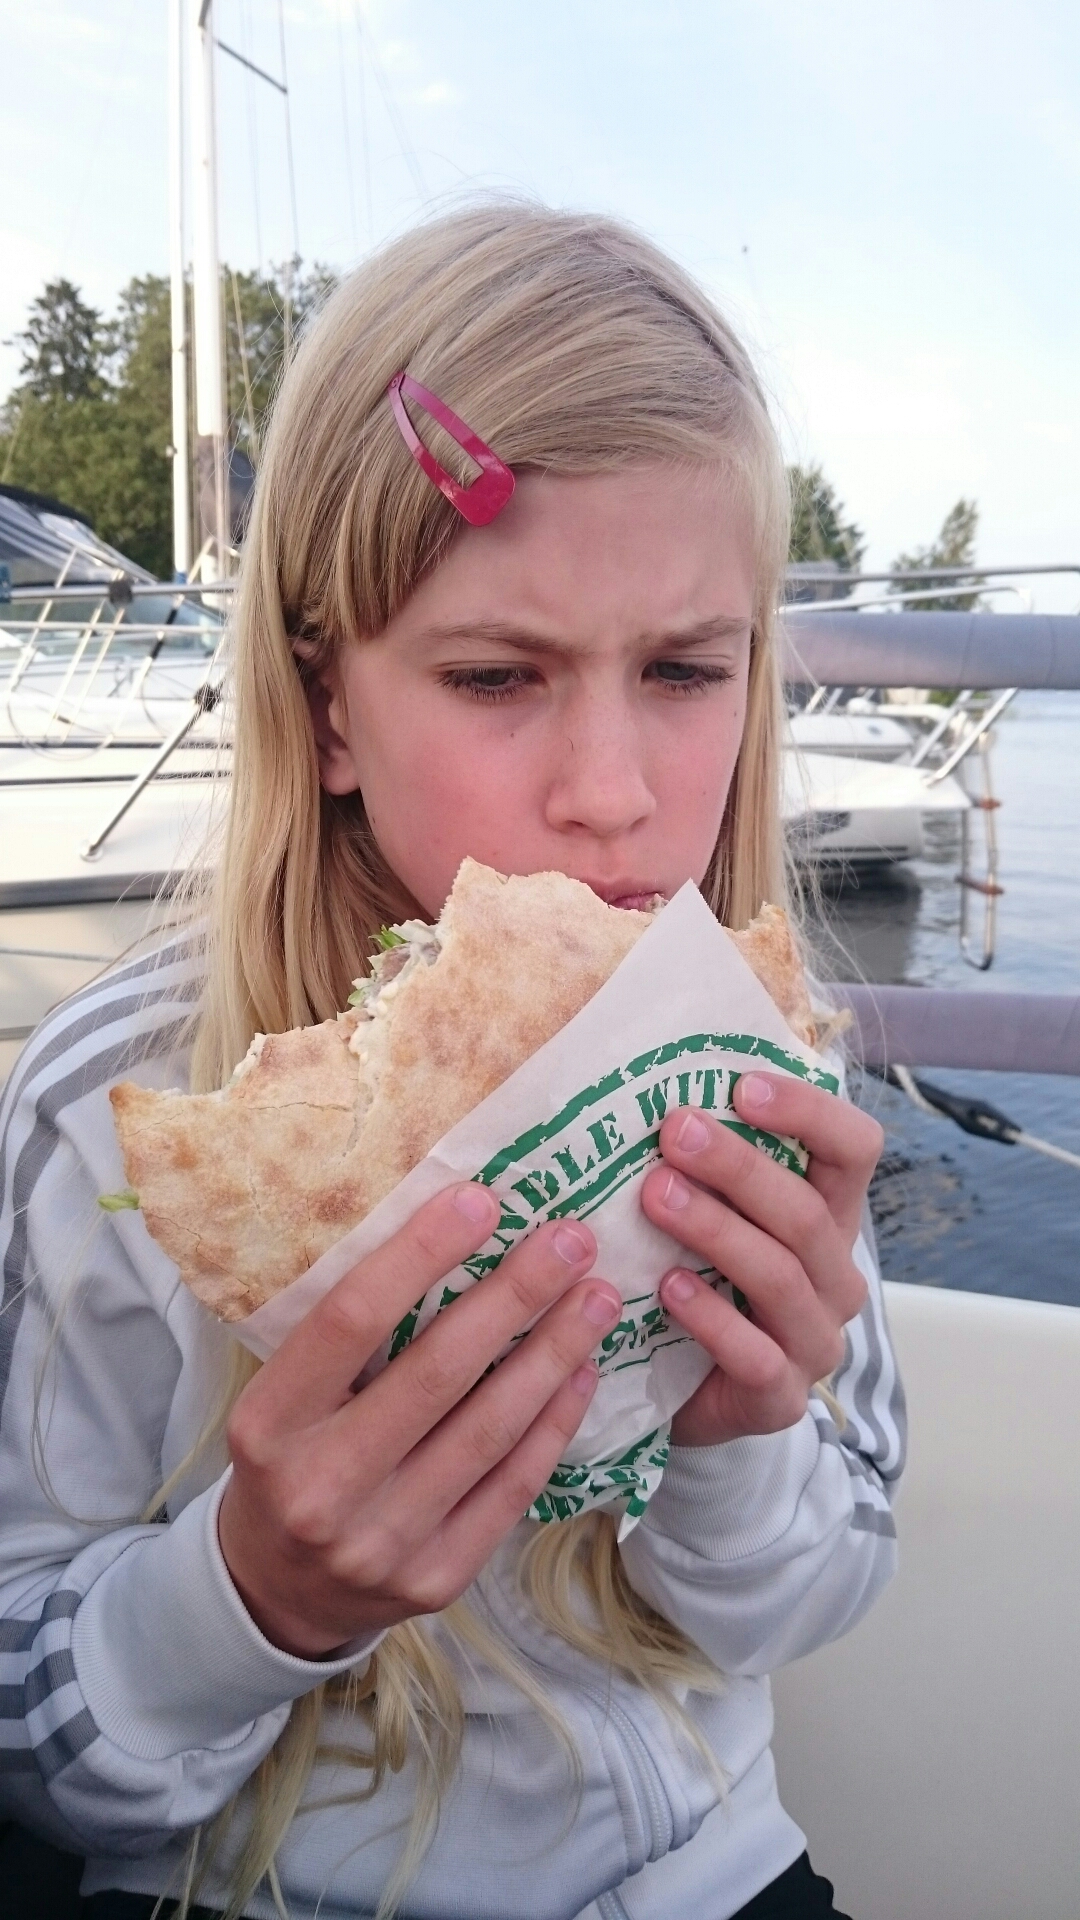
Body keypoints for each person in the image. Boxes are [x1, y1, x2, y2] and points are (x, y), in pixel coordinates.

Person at [0, 203, 904, 1920]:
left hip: (712, 1875)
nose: (611, 794)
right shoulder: (129, 1115)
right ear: (329, 707)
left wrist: (740, 1438)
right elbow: (31, 1746)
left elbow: (816, 1592)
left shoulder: (767, 1071)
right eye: (497, 675)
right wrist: (252, 1596)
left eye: (685, 670)